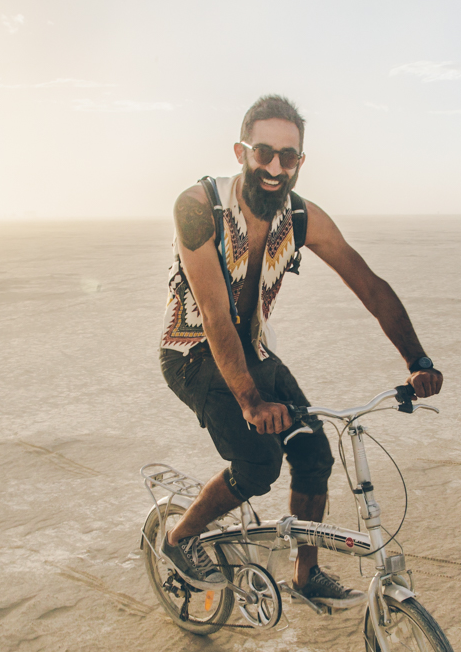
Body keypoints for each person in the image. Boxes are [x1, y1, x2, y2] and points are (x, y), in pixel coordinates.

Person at [158, 95, 442, 609]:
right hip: (194, 353)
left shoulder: (302, 217)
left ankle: (305, 573)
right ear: (241, 151)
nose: (274, 167)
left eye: (287, 157)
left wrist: (417, 359)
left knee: (313, 452)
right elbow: (215, 315)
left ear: (300, 163)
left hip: (255, 351)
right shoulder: (198, 207)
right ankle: (179, 538)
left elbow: (367, 282)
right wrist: (249, 402)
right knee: (259, 464)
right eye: (263, 152)